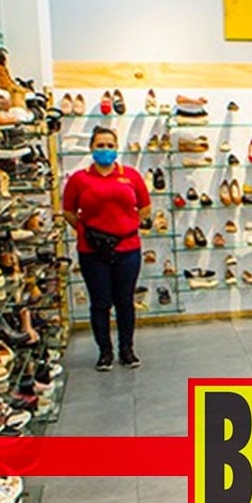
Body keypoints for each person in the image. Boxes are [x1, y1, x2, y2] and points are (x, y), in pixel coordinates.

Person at [62, 126, 150, 371]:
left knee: (125, 301)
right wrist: (88, 232)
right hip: (92, 251)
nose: (105, 150)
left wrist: (126, 226)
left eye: (110, 145)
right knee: (100, 302)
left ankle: (127, 350)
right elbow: (68, 211)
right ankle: (104, 352)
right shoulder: (79, 179)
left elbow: (145, 208)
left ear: (116, 148)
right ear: (91, 148)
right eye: (100, 145)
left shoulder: (131, 176)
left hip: (127, 248)